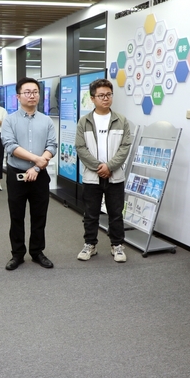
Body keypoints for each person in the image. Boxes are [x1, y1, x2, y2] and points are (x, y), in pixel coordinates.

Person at [1, 77, 58, 271]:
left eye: (35, 92)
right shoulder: (10, 120)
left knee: (39, 216)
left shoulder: (46, 120)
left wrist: (36, 168)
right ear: (18, 96)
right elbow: (10, 146)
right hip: (16, 175)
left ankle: (37, 252)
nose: (32, 95)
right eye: (27, 92)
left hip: (39, 176)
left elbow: (52, 146)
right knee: (16, 216)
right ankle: (17, 254)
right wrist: (37, 160)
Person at [75, 79, 132, 263]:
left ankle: (117, 245)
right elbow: (80, 147)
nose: (106, 98)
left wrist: (110, 166)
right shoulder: (84, 121)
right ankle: (90, 244)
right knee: (90, 214)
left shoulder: (121, 120)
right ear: (92, 98)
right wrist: (99, 166)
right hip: (92, 176)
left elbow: (125, 146)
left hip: (115, 176)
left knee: (116, 213)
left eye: (108, 94)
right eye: (101, 95)